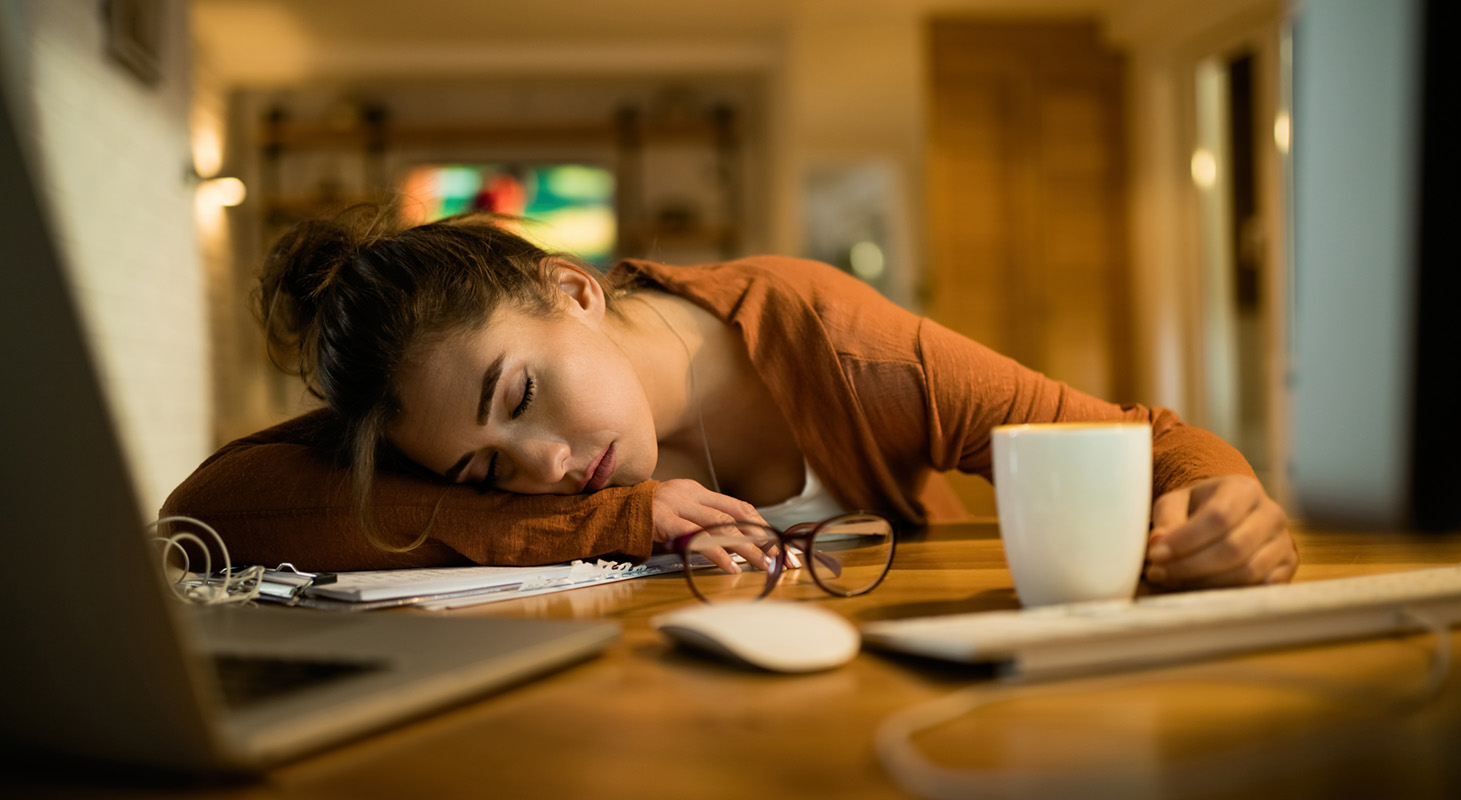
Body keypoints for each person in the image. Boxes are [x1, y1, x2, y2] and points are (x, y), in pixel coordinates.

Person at [162, 204, 1298, 590]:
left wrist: (1228, 501)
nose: (542, 464)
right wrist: (605, 519)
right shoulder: (448, 417)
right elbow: (207, 518)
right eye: (485, 468)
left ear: (573, 291)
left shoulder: (833, 340)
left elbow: (1146, 440)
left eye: (522, 397)